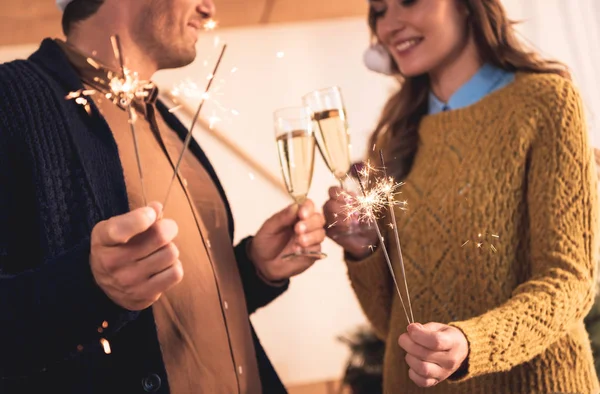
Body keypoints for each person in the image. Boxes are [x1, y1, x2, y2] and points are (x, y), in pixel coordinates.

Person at [0, 0, 327, 393]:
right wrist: (89, 286)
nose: (209, 8)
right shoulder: (12, 101)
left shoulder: (165, 117)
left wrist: (254, 268)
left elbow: (173, 310)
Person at [324, 0, 599, 393]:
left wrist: (472, 344)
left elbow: (568, 281)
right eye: (380, 10)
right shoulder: (392, 138)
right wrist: (363, 251)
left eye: (407, 1)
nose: (390, 24)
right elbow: (393, 324)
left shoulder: (546, 103)